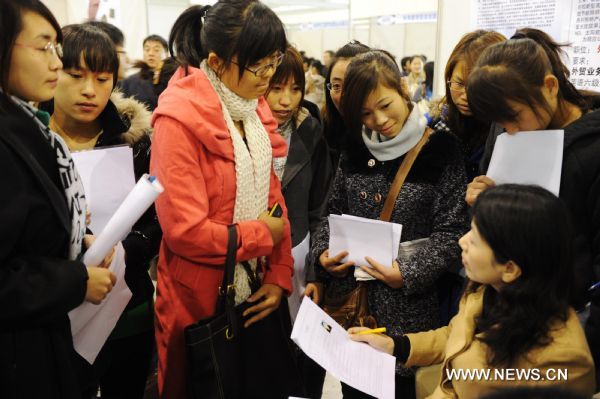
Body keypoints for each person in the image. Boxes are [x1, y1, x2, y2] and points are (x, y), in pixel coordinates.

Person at [149, 2, 299, 398]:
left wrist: (279, 273)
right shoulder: (178, 120)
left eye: (274, 62)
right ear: (215, 61)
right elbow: (184, 231)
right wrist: (261, 237)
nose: (268, 77)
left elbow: (274, 202)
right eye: (259, 66)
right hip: (198, 299)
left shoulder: (252, 111)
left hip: (254, 289)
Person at [309, 50, 468, 398]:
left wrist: (407, 272)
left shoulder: (441, 149)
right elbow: (332, 212)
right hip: (353, 309)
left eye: (384, 104)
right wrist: (323, 255)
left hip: (409, 315)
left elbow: (453, 231)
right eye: (364, 113)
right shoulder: (354, 147)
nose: (378, 120)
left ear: (402, 89)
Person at [351, 185, 596, 399]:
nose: (462, 242)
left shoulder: (560, 361)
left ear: (510, 269)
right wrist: (394, 345)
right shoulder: (486, 291)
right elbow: (457, 336)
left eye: (475, 239)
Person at [464, 28, 600, 387]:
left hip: (571, 316)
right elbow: (496, 226)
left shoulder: (591, 150)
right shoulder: (508, 130)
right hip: (511, 311)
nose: (509, 130)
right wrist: (486, 201)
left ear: (551, 86)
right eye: (498, 123)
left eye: (513, 116)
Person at [0, 1, 116, 397]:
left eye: (56, 50)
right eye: (43, 47)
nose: (54, 63)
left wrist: (75, 241)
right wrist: (74, 280)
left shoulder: (30, 128)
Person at [39, 23, 161, 398]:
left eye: (103, 78)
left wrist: (128, 250)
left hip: (128, 309)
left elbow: (156, 221)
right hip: (53, 314)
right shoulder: (30, 141)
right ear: (52, 70)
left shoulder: (135, 142)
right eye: (75, 76)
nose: (90, 90)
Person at [265, 44, 333, 398]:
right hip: (253, 254)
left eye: (295, 89)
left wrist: (316, 269)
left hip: (299, 251)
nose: (286, 100)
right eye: (276, 88)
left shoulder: (310, 132)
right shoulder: (243, 131)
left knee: (299, 347)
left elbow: (320, 205)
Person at [429, 30, 506, 181]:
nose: (466, 97)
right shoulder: (435, 125)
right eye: (459, 83)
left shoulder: (509, 131)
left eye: (477, 86)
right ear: (448, 78)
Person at [321, 40, 371, 168]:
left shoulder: (389, 136)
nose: (344, 95)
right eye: (337, 86)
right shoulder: (321, 134)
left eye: (353, 85)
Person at [120, 34, 168, 111]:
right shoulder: (129, 82)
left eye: (156, 50)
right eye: (147, 49)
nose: (151, 53)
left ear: (166, 54)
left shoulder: (172, 79)